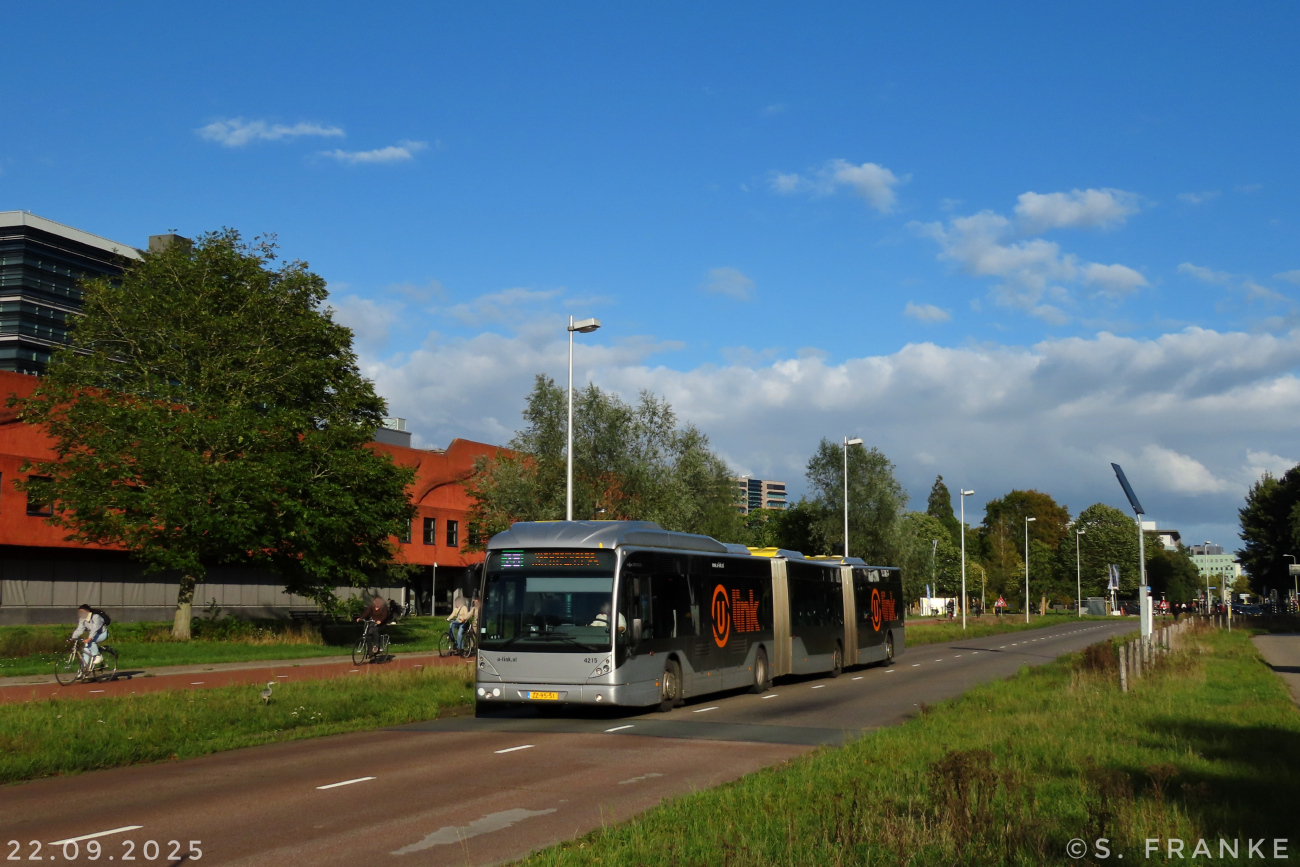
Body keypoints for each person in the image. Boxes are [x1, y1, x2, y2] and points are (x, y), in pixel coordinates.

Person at [69, 604, 109, 670]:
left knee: (91, 641)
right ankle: (84, 669)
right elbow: (80, 629)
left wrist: (90, 638)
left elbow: (95, 629)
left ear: (87, 611)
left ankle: (98, 656)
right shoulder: (82, 619)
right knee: (86, 649)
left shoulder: (96, 617)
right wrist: (73, 637)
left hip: (102, 633)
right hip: (93, 634)